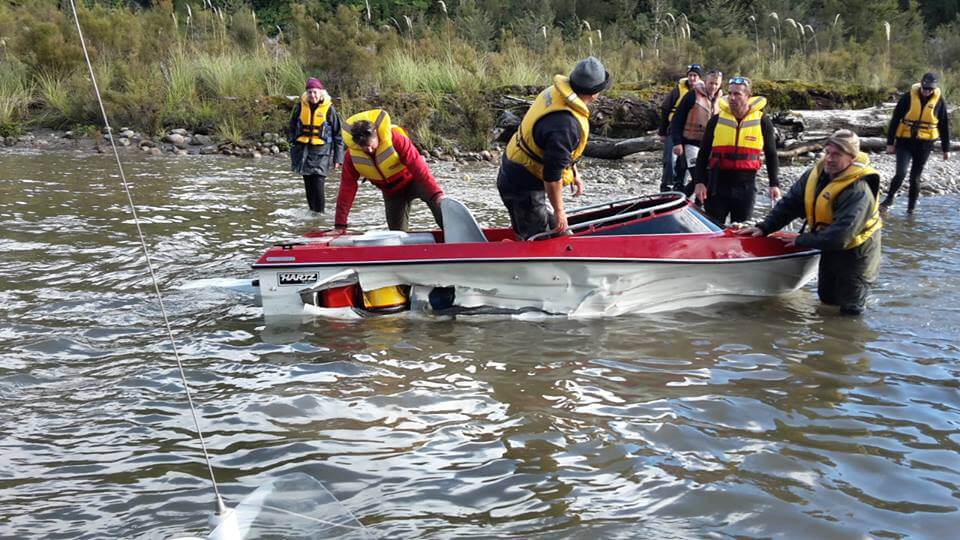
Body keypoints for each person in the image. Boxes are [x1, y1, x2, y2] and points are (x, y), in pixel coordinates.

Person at [736, 130, 882, 315]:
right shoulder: (816, 174)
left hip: (857, 252)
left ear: (851, 158)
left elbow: (842, 236)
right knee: (827, 299)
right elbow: (790, 204)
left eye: (836, 154)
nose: (829, 159)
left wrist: (801, 240)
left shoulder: (859, 190)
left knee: (850, 310)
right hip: (828, 244)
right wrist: (764, 227)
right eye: (827, 152)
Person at [497, 56, 611, 239]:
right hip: (522, 184)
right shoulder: (565, 124)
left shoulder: (556, 93)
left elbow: (558, 152)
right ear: (595, 93)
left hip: (517, 169)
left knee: (559, 233)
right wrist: (560, 212)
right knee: (538, 240)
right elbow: (551, 177)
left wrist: (575, 174)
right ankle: (510, 255)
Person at [334, 109, 444, 232]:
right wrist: (340, 225)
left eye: (371, 145)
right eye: (364, 147)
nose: (369, 150)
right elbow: (346, 189)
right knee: (397, 233)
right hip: (392, 193)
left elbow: (420, 168)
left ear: (376, 135)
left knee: (437, 202)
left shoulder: (396, 139)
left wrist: (437, 194)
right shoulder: (351, 157)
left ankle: (450, 230)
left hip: (414, 181)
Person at [693, 76, 780, 224]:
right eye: (730, 93)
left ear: (748, 96)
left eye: (737, 94)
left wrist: (774, 184)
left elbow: (771, 154)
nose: (732, 98)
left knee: (741, 231)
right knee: (714, 228)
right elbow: (703, 153)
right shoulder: (716, 120)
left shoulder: (762, 121)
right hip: (717, 185)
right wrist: (699, 182)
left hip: (745, 186)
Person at [880, 72, 951, 213]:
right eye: (925, 88)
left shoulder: (939, 101)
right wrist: (890, 143)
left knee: (915, 178)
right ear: (921, 84)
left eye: (930, 89)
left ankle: (910, 210)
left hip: (925, 144)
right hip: (904, 142)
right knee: (901, 172)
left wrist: (946, 149)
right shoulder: (908, 97)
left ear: (934, 88)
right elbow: (895, 120)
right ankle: (888, 200)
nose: (926, 91)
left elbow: (943, 125)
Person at [288, 77, 344, 213]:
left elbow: (338, 136)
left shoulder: (330, 110)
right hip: (303, 151)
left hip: (321, 152)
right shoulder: (300, 107)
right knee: (308, 184)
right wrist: (292, 143)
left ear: (321, 93)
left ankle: (319, 215)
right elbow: (292, 126)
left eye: (315, 92)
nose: (312, 95)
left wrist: (338, 158)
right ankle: (312, 213)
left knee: (318, 184)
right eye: (310, 92)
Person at [668, 69, 723, 195]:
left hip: (709, 146)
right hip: (690, 143)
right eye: (711, 83)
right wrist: (677, 142)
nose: (713, 87)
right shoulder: (692, 96)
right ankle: (681, 200)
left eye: (716, 84)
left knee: (706, 178)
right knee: (698, 177)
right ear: (705, 82)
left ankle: (692, 202)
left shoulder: (722, 101)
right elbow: (676, 120)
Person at [658, 64, 702, 192]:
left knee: (684, 161)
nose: (692, 78)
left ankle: (680, 185)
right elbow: (665, 109)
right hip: (674, 128)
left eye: (695, 76)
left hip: (690, 131)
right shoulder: (678, 90)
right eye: (690, 75)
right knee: (670, 159)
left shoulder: (702, 93)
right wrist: (662, 132)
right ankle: (666, 185)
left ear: (699, 78)